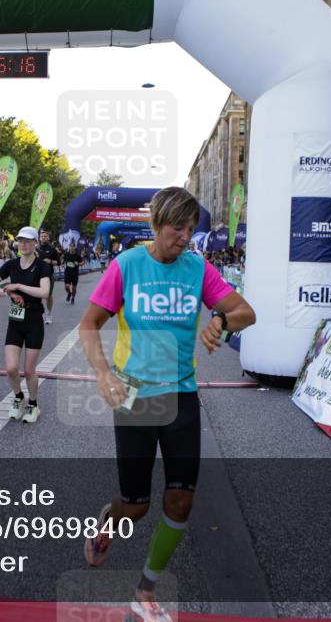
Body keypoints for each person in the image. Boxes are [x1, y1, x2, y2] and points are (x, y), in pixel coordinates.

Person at [78, 187, 255, 622]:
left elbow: (245, 312)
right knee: (135, 508)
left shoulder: (198, 268)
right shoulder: (127, 266)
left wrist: (219, 318)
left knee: (180, 502)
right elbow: (88, 326)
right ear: (157, 225)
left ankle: (145, 589)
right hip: (134, 394)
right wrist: (103, 374)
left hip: (182, 394)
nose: (185, 237)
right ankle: (109, 520)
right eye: (178, 228)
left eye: (192, 229)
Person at [0, 226, 52, 423]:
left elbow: (44, 293)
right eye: (20, 240)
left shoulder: (42, 266)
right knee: (11, 369)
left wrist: (18, 286)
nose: (23, 244)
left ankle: (33, 403)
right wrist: (8, 292)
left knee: (29, 371)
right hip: (15, 319)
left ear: (34, 243)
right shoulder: (11, 264)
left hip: (33, 320)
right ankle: (18, 397)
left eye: (27, 241)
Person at [36, 230, 60, 324]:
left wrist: (50, 261)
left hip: (48, 275)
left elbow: (58, 262)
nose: (43, 238)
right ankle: (40, 313)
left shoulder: (52, 249)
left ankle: (49, 314)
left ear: (48, 238)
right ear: (39, 238)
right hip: (37, 275)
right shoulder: (36, 249)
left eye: (45, 236)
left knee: (48, 296)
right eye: (42, 236)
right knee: (37, 295)